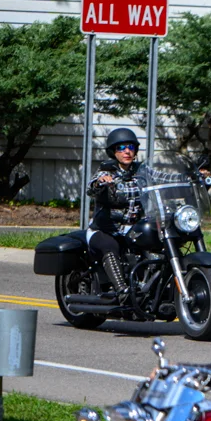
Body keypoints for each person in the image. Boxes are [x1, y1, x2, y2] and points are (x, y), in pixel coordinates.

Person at [86, 127, 147, 302]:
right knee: (109, 245)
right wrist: (100, 182)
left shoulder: (142, 171)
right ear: (114, 151)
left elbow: (164, 178)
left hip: (133, 230)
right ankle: (122, 291)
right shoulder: (106, 170)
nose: (127, 151)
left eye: (130, 147)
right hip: (105, 230)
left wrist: (193, 176)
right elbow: (91, 187)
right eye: (121, 147)